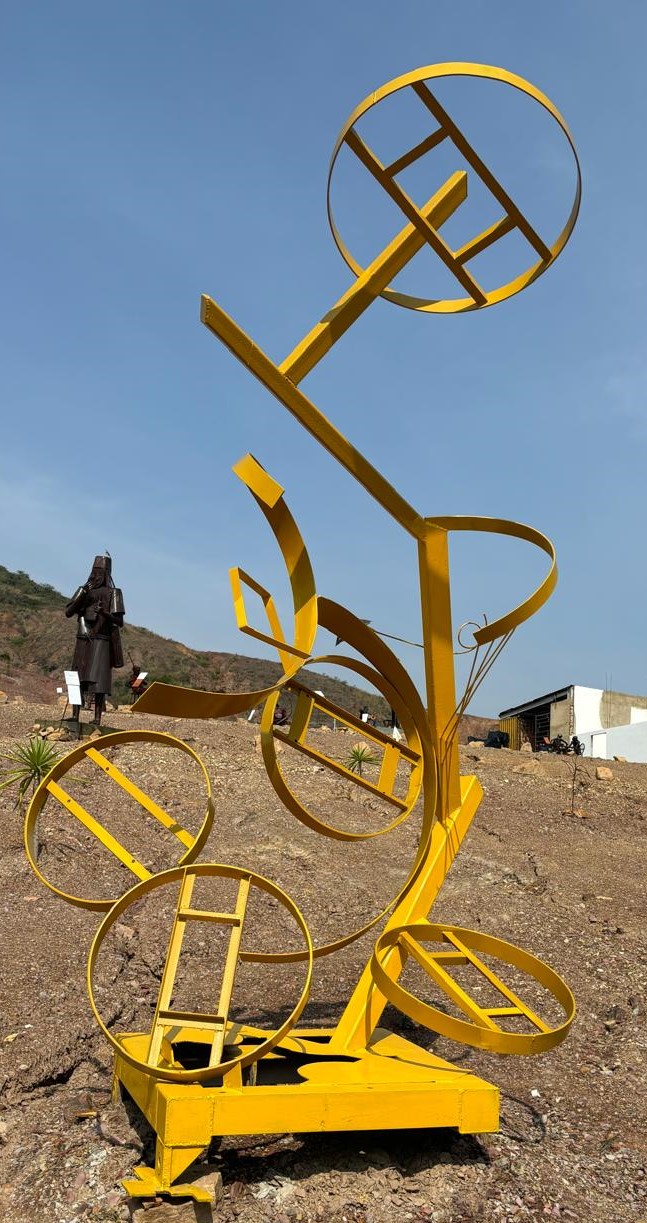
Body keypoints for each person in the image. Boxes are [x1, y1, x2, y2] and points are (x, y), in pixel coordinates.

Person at [65, 554, 125, 725]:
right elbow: (69, 612)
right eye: (94, 572)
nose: (96, 576)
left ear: (107, 574)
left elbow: (119, 622)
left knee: (99, 680)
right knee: (77, 678)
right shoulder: (84, 590)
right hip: (83, 638)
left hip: (102, 640)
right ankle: (75, 715)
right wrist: (84, 591)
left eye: (100, 572)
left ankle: (97, 718)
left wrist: (105, 613)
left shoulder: (114, 593)